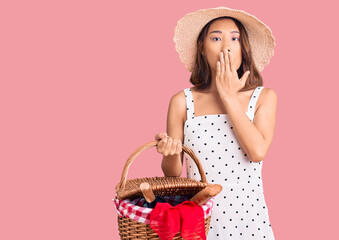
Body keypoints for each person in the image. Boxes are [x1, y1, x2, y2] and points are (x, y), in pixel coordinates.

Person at [154, 6, 277, 239]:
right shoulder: (182, 101)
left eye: (235, 38)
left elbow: (257, 151)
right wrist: (169, 151)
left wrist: (228, 96)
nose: (226, 46)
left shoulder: (264, 97)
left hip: (249, 222)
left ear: (243, 47)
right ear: (202, 47)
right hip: (199, 223)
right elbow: (173, 171)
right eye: (216, 38)